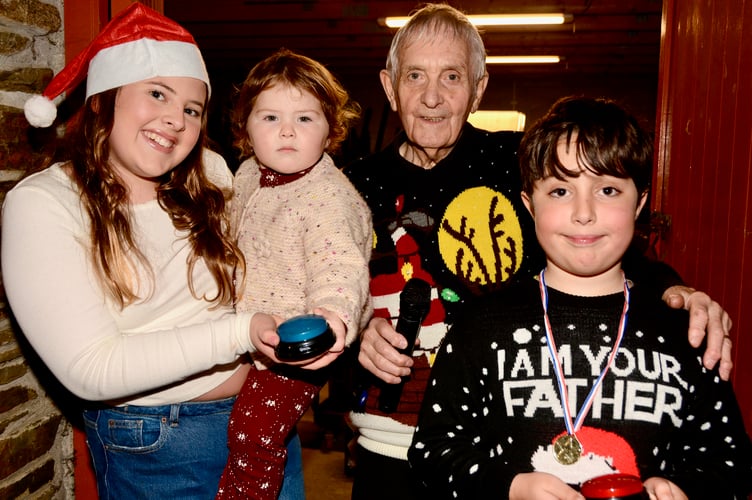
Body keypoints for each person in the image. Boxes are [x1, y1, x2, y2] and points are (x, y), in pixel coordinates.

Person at [343, 4, 733, 499]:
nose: (432, 97)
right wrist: (358, 332)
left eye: (452, 76)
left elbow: (597, 237)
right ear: (388, 84)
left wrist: (676, 291)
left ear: (479, 87)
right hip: (389, 446)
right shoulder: (351, 188)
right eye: (415, 75)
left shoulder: (517, 162)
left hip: (511, 451)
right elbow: (320, 298)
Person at [1, 4, 321, 498]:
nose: (176, 120)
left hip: (263, 419)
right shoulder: (44, 203)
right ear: (105, 98)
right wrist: (242, 332)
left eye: (192, 109)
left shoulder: (210, 174)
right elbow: (91, 368)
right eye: (157, 94)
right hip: (162, 444)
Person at [408, 95, 752, 499]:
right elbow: (433, 452)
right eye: (559, 191)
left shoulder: (685, 332)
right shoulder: (481, 324)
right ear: (529, 205)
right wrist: (512, 487)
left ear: (640, 202)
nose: (583, 212)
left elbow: (730, 461)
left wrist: (682, 488)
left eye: (607, 189)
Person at [216, 49, 373, 499]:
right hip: (244, 329)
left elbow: (341, 268)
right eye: (269, 118)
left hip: (295, 343)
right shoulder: (247, 173)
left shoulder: (327, 198)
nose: (286, 131)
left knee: (254, 435)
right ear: (245, 126)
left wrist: (332, 319)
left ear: (331, 129)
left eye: (305, 119)